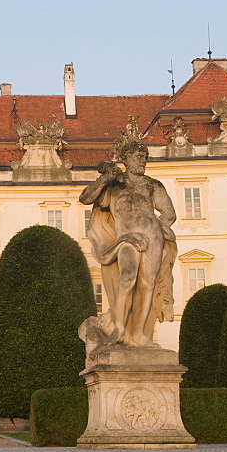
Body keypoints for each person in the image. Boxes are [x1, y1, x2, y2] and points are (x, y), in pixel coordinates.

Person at [78, 140, 176, 348]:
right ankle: (120, 328)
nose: (142, 160)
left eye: (144, 157)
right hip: (126, 239)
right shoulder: (115, 186)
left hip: (152, 237)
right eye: (137, 156)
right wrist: (106, 178)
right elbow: (85, 198)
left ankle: (138, 334)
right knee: (127, 277)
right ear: (126, 159)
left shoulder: (152, 185)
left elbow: (169, 213)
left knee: (147, 284)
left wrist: (157, 228)